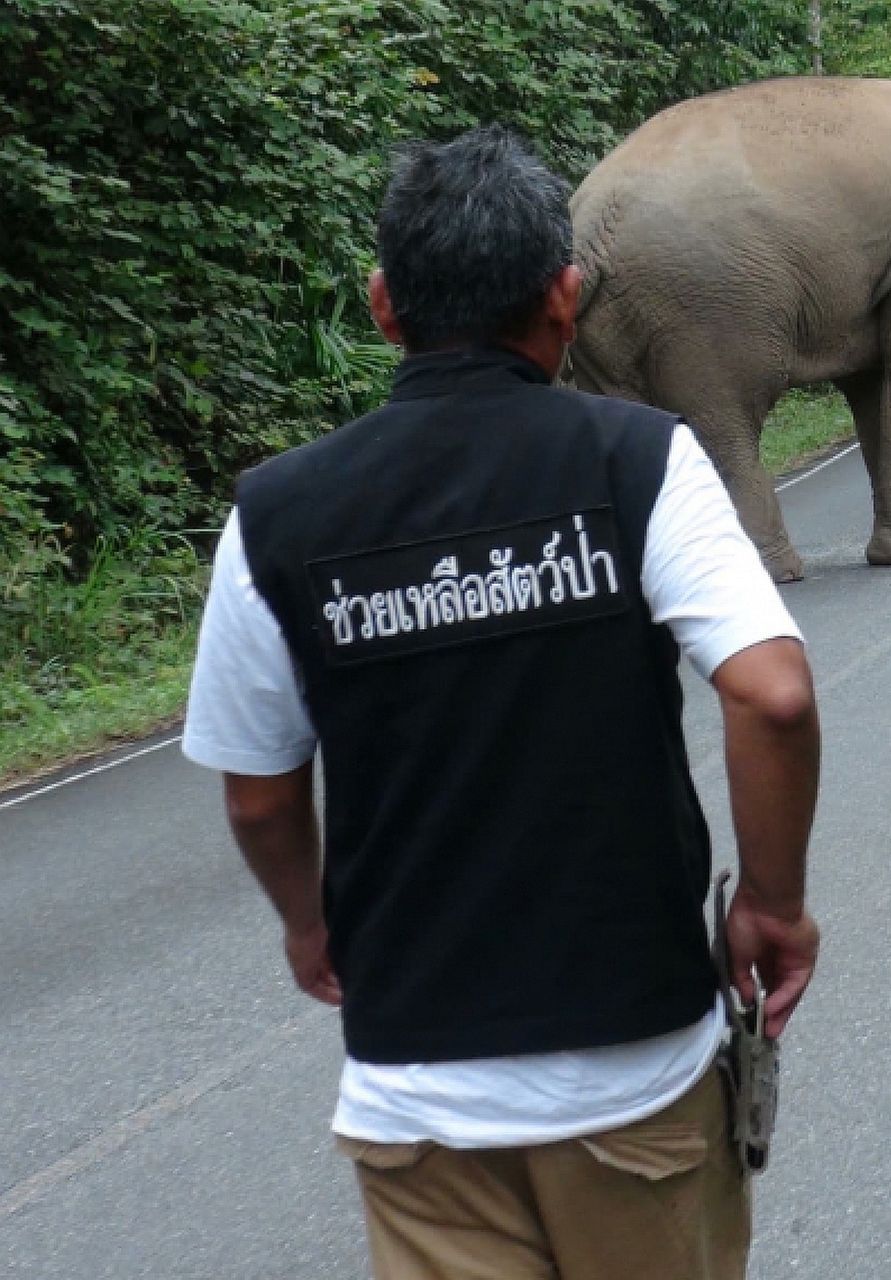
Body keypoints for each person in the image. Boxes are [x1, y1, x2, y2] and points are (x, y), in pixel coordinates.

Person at [182, 126, 822, 1280]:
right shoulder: (640, 462)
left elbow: (259, 792)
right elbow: (772, 694)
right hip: (635, 1074)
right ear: (565, 299)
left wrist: (308, 921)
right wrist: (772, 901)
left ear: (384, 306)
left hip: (415, 1093)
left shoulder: (275, 516)